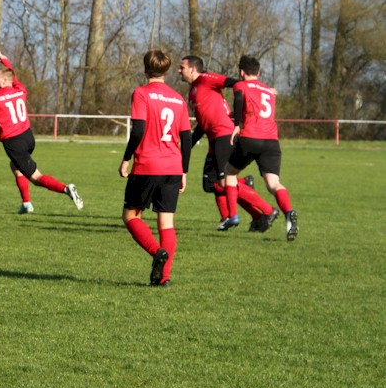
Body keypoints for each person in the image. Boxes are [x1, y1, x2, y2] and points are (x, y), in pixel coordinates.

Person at [178, 56, 280, 233]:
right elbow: (203, 122)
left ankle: (267, 210)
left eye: (182, 67)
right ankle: (253, 215)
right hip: (214, 138)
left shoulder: (206, 79)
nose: (179, 71)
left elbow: (233, 82)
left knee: (224, 182)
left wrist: (261, 89)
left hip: (224, 135)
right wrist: (187, 145)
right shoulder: (193, 90)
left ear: (193, 69)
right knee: (211, 183)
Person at [120, 49, 191, 287]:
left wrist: (126, 158)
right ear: (166, 71)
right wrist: (184, 170)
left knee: (131, 215)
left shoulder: (141, 93)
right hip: (173, 166)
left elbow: (138, 130)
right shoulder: (178, 99)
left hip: (148, 165)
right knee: (166, 223)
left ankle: (156, 252)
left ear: (145, 69)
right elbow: (186, 138)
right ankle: (164, 278)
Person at [0, 48, 83, 214]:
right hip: (28, 137)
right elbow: (14, 77)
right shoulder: (20, 89)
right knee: (15, 166)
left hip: (13, 141)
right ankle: (26, 203)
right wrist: (6, 61)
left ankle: (66, 189)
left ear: (5, 80)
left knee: (36, 178)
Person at [224, 55, 299, 241]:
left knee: (229, 173)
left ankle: (232, 216)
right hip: (271, 141)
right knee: (273, 184)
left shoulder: (240, 85)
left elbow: (239, 99)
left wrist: (237, 124)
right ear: (258, 73)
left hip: (250, 137)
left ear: (241, 72)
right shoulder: (269, 91)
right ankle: (289, 212)